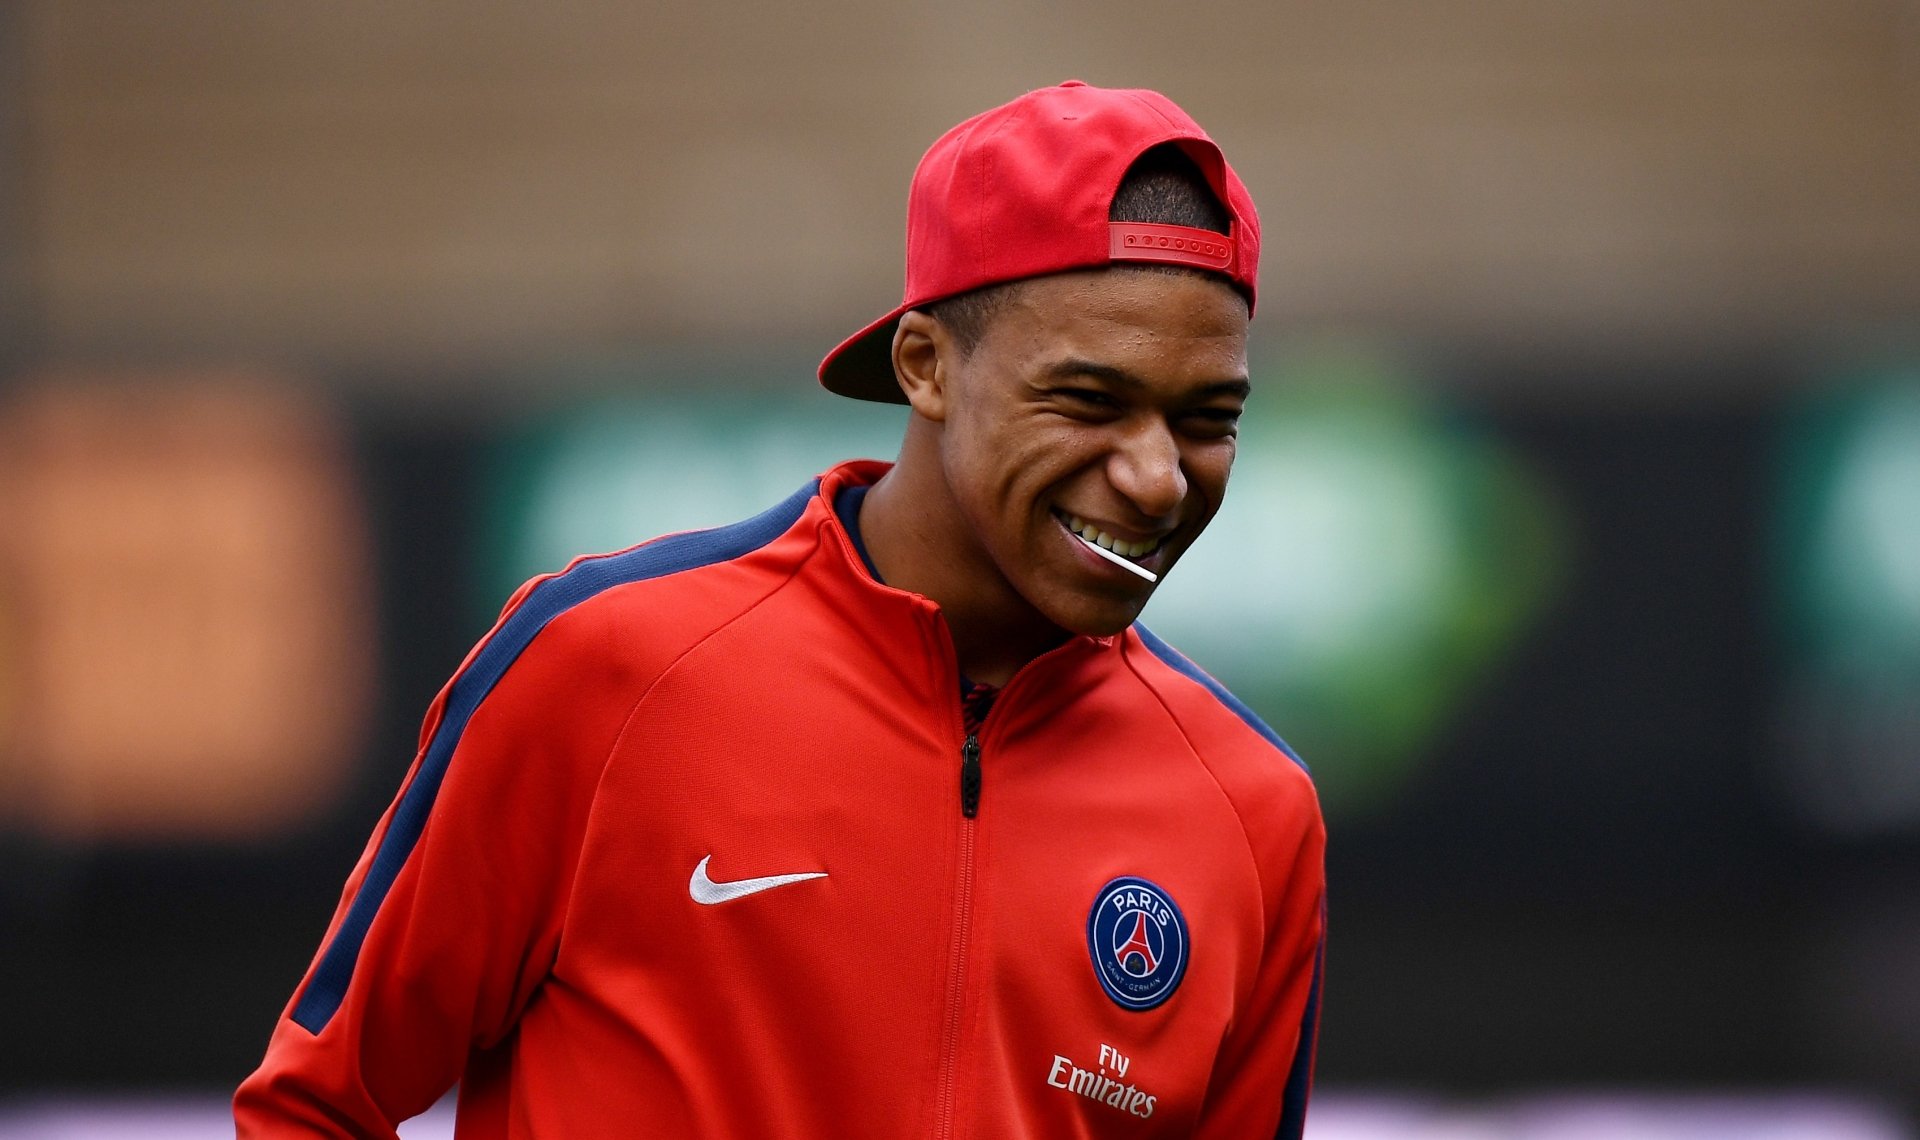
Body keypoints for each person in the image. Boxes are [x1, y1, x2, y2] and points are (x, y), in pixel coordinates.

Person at [236, 79, 1325, 1139]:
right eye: (1089, 401)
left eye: (1206, 419)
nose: (1156, 477)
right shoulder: (607, 664)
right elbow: (315, 1105)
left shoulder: (1253, 810)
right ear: (924, 367)